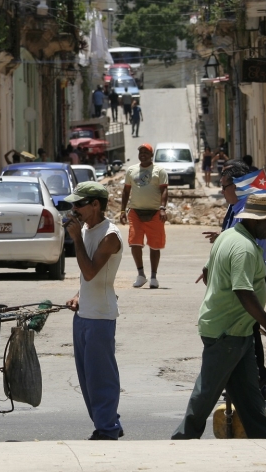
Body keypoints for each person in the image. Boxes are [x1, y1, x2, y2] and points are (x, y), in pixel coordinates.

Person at [172, 193, 266, 440]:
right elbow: (243, 291)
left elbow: (208, 273)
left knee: (249, 394)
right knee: (207, 393)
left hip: (240, 331)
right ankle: (182, 439)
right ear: (257, 221)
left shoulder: (227, 236)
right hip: (226, 334)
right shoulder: (243, 248)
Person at [200, 160, 266, 397]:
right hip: (234, 277)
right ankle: (247, 382)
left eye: (225, 186)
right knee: (241, 333)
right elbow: (230, 239)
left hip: (247, 278)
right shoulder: (235, 208)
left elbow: (246, 245)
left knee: (249, 332)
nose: (222, 192)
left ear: (238, 185)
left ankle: (256, 381)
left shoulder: (251, 211)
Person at [63, 182, 124, 440]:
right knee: (87, 379)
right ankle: (107, 423)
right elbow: (85, 278)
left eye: (79, 204)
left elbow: (90, 271)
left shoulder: (109, 235)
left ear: (95, 205)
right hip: (84, 314)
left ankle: (107, 429)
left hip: (101, 315)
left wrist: (75, 239)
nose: (74, 209)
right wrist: (78, 296)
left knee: (101, 377)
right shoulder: (87, 229)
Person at [119, 144, 168, 289]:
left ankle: (153, 277)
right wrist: (122, 211)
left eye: (146, 152)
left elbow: (164, 191)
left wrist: (163, 208)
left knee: (154, 246)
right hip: (135, 212)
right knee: (134, 243)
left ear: (151, 154)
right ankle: (141, 275)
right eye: (140, 152)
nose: (143, 154)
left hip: (154, 212)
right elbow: (126, 192)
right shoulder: (131, 170)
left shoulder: (159, 171)